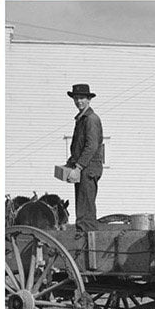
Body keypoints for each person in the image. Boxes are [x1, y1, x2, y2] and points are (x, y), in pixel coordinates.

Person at [64, 83, 104, 229]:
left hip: (88, 169)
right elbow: (80, 146)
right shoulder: (81, 119)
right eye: (76, 98)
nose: (78, 101)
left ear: (89, 99)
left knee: (86, 209)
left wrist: (78, 167)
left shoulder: (91, 119)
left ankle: (87, 244)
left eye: (82, 98)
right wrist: (71, 162)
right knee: (82, 207)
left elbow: (91, 146)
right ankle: (84, 239)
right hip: (84, 168)